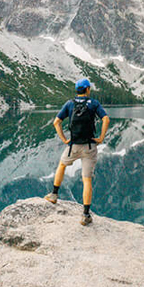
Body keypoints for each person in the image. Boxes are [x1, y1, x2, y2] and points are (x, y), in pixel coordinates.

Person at [44, 78, 110, 225]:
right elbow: (106, 119)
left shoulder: (70, 104)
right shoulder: (93, 103)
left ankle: (54, 194)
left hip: (73, 146)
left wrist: (64, 139)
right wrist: (100, 138)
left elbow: (56, 122)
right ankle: (85, 215)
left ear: (77, 90)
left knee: (62, 166)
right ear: (87, 90)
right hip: (89, 146)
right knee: (87, 180)